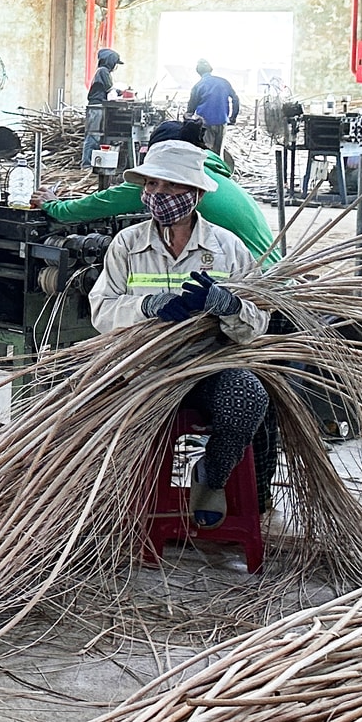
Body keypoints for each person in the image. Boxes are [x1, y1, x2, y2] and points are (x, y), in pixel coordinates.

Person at [88, 141, 271, 527]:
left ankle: (213, 475)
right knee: (92, 410)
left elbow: (257, 324)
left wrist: (229, 306)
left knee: (248, 397)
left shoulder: (227, 248)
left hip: (207, 369)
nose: (159, 195)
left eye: (172, 186)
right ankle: (117, 498)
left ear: (197, 194)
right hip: (141, 371)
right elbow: (101, 311)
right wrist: (146, 306)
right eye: (152, 185)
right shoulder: (127, 244)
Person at [44, 117, 275, 262]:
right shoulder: (216, 176)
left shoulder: (166, 179)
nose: (159, 188)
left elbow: (97, 205)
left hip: (249, 283)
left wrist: (53, 205)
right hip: (274, 275)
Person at [187, 60, 241, 160]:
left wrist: (188, 118)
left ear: (198, 72)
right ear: (210, 69)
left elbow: (191, 108)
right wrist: (233, 117)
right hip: (221, 121)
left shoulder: (198, 86)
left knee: (205, 153)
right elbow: (235, 99)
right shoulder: (224, 82)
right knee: (218, 154)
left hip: (204, 123)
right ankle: (219, 168)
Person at [82, 47, 123, 167]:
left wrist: (120, 92)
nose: (116, 66)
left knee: (97, 136)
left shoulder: (103, 72)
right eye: (116, 63)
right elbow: (110, 90)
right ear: (111, 62)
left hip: (99, 106)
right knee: (93, 135)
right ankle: (87, 164)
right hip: (96, 107)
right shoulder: (103, 71)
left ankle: (94, 163)